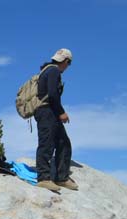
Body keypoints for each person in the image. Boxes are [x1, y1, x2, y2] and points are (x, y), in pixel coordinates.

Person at [35, 48, 77, 192]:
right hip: (47, 111)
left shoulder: (47, 70)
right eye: (69, 64)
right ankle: (44, 178)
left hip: (49, 111)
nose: (68, 67)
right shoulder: (53, 71)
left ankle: (62, 178)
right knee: (46, 144)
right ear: (66, 61)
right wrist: (62, 112)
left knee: (63, 142)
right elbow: (52, 95)